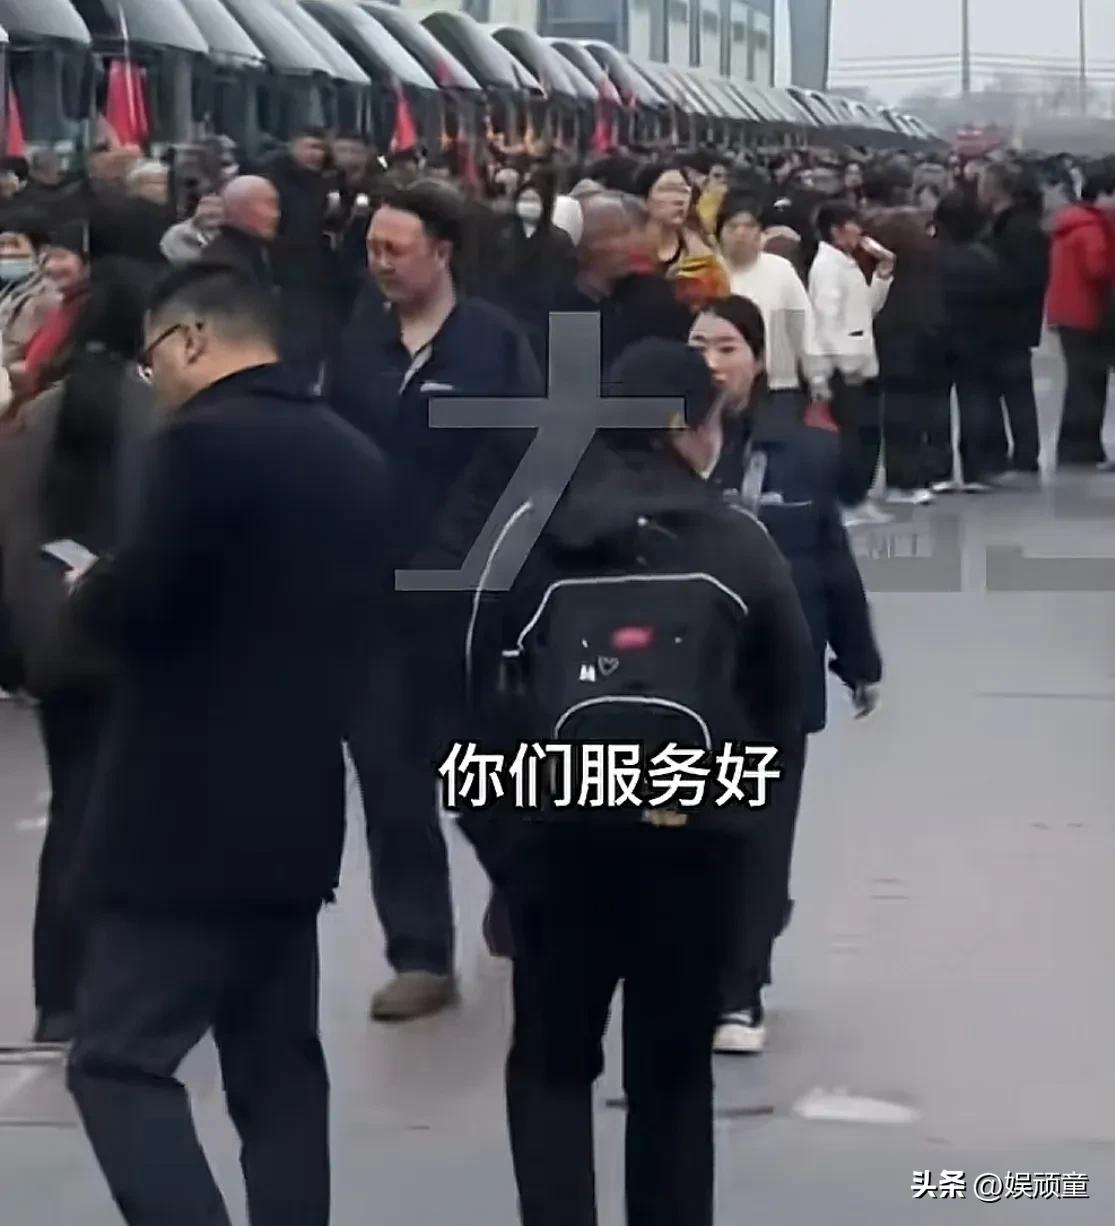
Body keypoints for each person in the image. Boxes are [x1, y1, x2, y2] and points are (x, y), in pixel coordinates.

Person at [65, 263, 390, 1226]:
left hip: (178, 821)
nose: (156, 378)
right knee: (278, 1072)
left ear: (194, 338)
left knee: (117, 1061)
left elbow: (148, 601)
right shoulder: (353, 456)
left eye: (154, 357)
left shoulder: (196, 447)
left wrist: (91, 590)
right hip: (296, 811)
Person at [461, 339, 812, 1226]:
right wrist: (741, 848)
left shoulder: (528, 530)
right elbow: (788, 704)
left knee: (549, 1066)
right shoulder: (736, 540)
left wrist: (506, 848)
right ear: (693, 429)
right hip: (690, 850)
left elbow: (468, 695)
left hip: (555, 847)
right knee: (672, 1077)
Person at [329, 179, 540, 1021]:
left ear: (442, 252)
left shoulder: (493, 344)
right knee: (389, 783)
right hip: (370, 604)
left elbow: (519, 457)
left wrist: (454, 554)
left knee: (480, 776)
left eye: (395, 249)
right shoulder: (358, 343)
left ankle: (524, 896)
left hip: (469, 603)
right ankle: (418, 955)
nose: (380, 263)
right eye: (372, 249)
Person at [689, 296, 882, 1052]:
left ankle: (740, 992)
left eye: (726, 347)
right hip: (678, 678)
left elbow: (830, 558)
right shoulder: (650, 452)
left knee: (761, 834)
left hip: (774, 674)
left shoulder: (802, 452)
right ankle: (706, 963)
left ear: (758, 360)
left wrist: (857, 659)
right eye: (698, 347)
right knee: (694, 832)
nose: (711, 363)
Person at [1, 259, 156, 1044]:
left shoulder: (32, 419)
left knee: (74, 810)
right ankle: (127, 988)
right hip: (137, 644)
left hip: (54, 645)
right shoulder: (162, 419)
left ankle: (59, 997)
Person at [809, 202, 894, 527]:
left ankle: (859, 495)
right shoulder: (827, 268)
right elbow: (826, 320)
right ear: (836, 230)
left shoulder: (847, 264)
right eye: (852, 225)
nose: (859, 231)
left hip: (862, 360)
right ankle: (848, 500)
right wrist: (844, 364)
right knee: (850, 437)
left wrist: (882, 276)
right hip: (846, 368)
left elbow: (864, 310)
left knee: (866, 434)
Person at [717, 194, 828, 404]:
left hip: (778, 384)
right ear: (720, 232)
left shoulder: (780, 269)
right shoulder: (708, 273)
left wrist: (817, 377)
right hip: (720, 385)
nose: (741, 233)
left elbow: (803, 325)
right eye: (733, 227)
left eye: (749, 226)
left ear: (761, 232)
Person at [979, 162, 1049, 478]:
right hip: (1003, 320)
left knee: (1014, 390)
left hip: (1010, 320)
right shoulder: (1004, 223)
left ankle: (1024, 453)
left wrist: (989, 279)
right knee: (1004, 389)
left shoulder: (1019, 228)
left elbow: (1025, 277)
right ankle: (1006, 451)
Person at [929, 192, 1001, 492]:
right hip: (977, 337)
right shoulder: (985, 259)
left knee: (936, 402)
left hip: (935, 335)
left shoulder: (929, 257)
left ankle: (939, 469)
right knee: (975, 400)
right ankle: (975, 469)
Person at [1046, 166, 1115, 469]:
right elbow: (1098, 268)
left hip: (1068, 313)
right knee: (1088, 384)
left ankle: (1075, 447)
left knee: (1079, 382)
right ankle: (1083, 448)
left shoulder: (1071, 222)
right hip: (1086, 313)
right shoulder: (1092, 227)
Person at [0, 210, 60, 372]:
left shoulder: (47, 296)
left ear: (40, 251)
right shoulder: (11, 290)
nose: (5, 252)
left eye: (14, 244)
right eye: (1, 245)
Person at [200, 175, 280, 288]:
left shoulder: (255, 252)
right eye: (269, 204)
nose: (276, 215)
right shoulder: (224, 268)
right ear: (242, 208)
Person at [160, 193, 224, 265]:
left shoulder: (231, 234)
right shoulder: (177, 234)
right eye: (205, 204)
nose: (210, 210)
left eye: (218, 205)